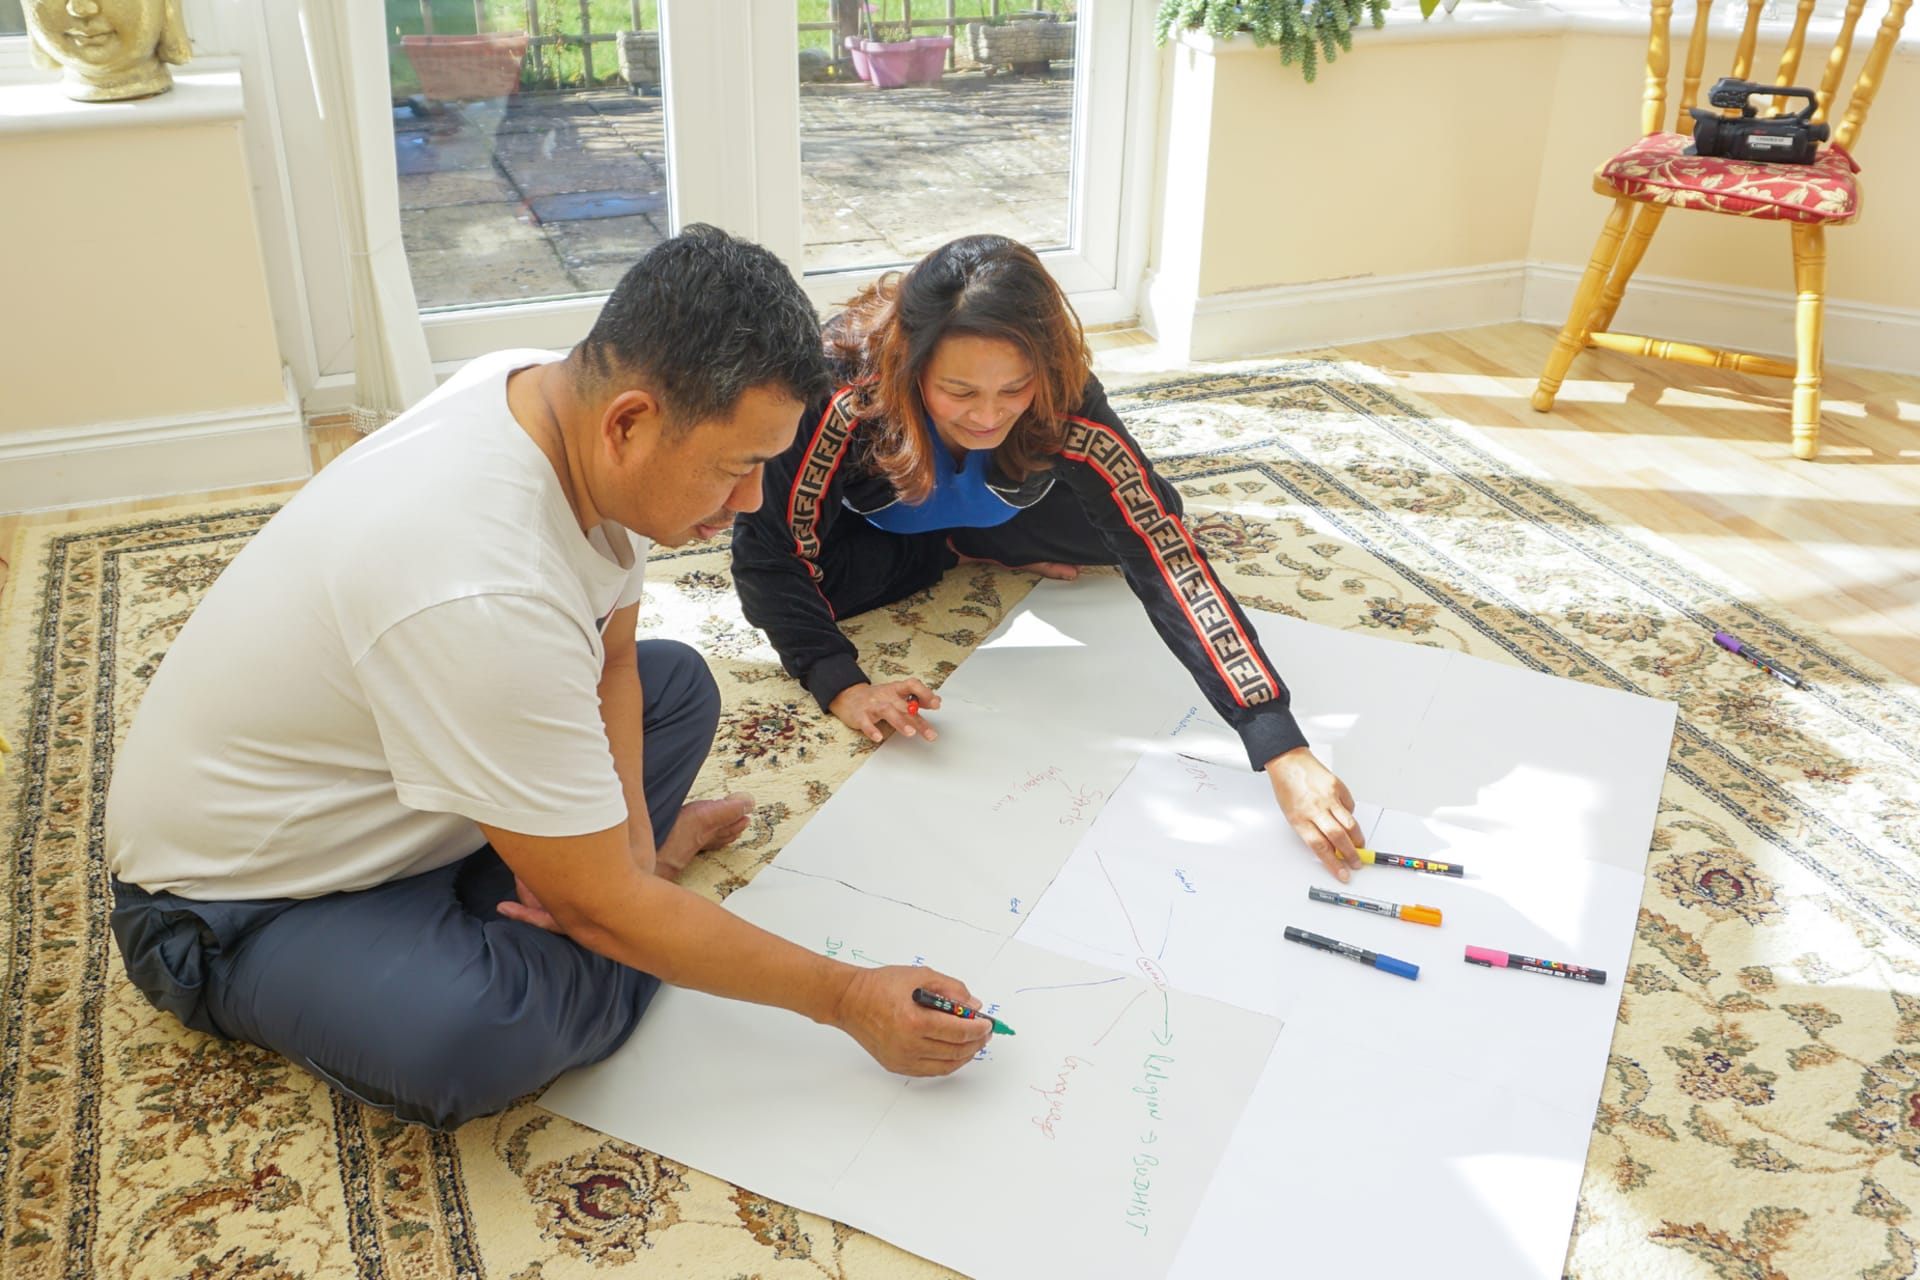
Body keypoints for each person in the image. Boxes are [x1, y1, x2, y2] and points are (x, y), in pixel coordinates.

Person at [104, 226, 994, 1132]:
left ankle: (599, 885)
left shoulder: (540, 389)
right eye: (737, 467)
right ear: (629, 423)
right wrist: (844, 997)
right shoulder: (482, 590)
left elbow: (610, 655)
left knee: (675, 684)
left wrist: (628, 865)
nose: (752, 503)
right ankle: (598, 903)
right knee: (470, 1038)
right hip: (248, 901)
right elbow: (516, 646)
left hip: (413, 789)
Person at [730, 235, 1366, 879]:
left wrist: (1276, 738)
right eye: (959, 391)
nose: (987, 415)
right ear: (910, 363)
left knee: (1139, 522)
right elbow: (769, 553)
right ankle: (955, 539)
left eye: (1015, 389)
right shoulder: (841, 386)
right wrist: (842, 684)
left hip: (1006, 501)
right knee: (800, 595)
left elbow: (1163, 552)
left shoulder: (1065, 394)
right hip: (875, 524)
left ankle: (968, 534)